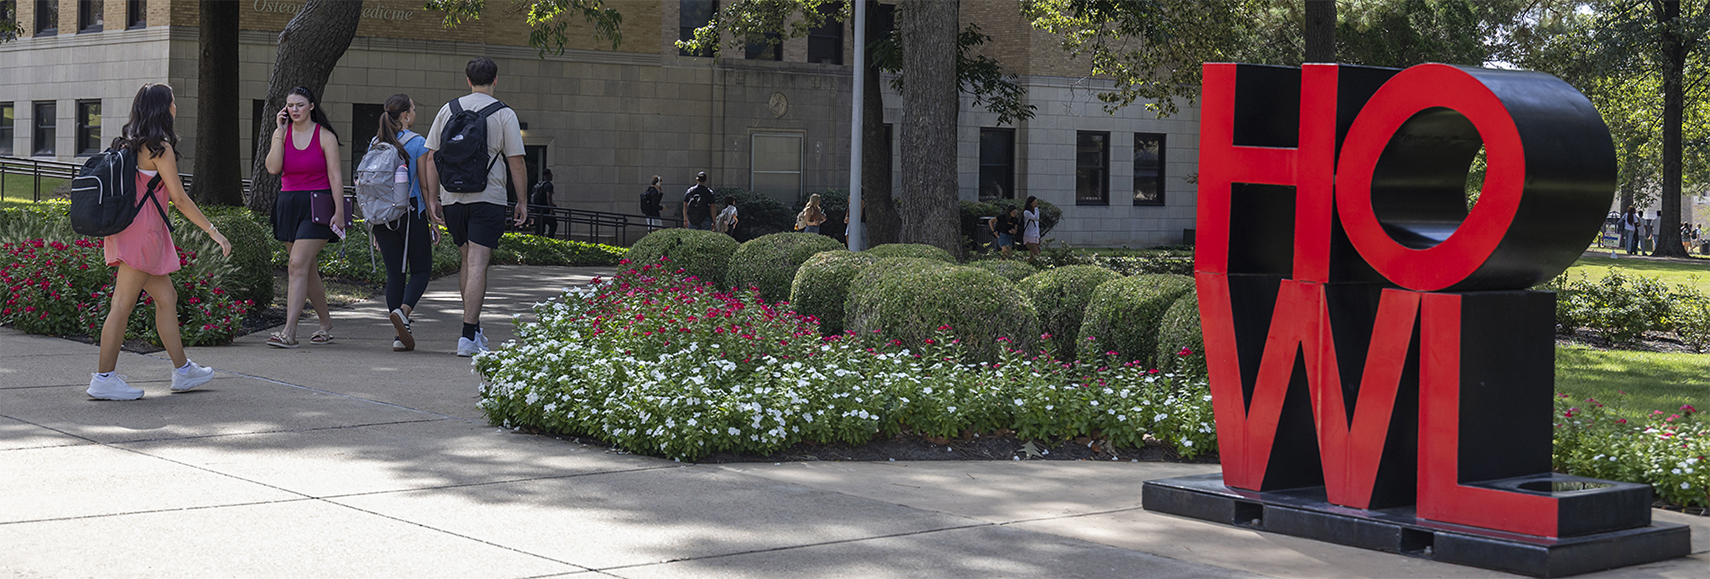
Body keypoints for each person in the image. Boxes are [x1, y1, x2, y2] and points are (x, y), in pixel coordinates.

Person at [88, 83, 232, 400]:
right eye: (173, 102)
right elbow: (179, 199)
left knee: (167, 297)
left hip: (127, 231)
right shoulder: (159, 149)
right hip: (143, 236)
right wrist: (212, 230)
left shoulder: (127, 144)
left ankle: (183, 371)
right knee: (121, 306)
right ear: (163, 108)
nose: (176, 106)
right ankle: (103, 378)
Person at [422, 56, 529, 357]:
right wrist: (521, 201)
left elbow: (431, 157)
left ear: (467, 80)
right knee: (478, 264)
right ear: (495, 80)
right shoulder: (504, 114)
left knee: (467, 261)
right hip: (488, 197)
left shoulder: (448, 110)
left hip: (453, 198)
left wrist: (434, 198)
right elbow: (516, 162)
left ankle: (475, 329)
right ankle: (467, 336)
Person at [265, 86, 344, 348]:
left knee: (297, 264)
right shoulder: (282, 134)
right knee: (306, 269)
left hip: (317, 205)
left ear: (311, 105)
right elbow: (274, 168)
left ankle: (289, 331)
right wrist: (279, 132)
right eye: (290, 105)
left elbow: (335, 176)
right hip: (288, 204)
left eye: (299, 104)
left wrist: (340, 212)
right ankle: (325, 323)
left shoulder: (325, 136)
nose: (294, 110)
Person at [369, 94, 436, 352]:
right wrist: (433, 219)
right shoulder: (417, 142)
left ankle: (399, 335)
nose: (415, 113)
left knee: (395, 273)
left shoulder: (375, 143)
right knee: (421, 270)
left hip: (382, 217)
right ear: (406, 115)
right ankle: (403, 313)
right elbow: (425, 183)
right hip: (410, 213)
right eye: (414, 109)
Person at [531, 168, 557, 238]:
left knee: (539, 227)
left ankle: (538, 240)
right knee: (553, 224)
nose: (552, 175)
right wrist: (551, 208)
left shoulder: (538, 184)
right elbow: (548, 197)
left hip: (538, 209)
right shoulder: (549, 185)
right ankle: (549, 239)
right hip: (545, 209)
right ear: (548, 175)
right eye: (551, 174)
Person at [1021, 196, 1043, 260]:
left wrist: (1038, 236)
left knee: (1033, 256)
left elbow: (1036, 224)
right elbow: (1036, 218)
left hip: (1034, 235)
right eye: (1034, 202)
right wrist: (1036, 208)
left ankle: (1028, 265)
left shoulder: (1034, 212)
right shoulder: (1026, 212)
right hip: (1029, 235)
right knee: (1036, 254)